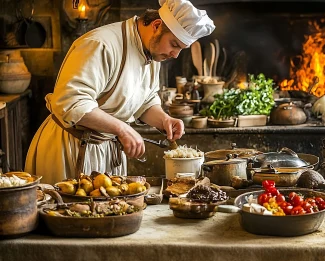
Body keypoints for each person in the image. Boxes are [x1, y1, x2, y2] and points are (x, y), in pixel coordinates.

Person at [25, 0, 215, 184]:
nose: (175, 55)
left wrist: (164, 120)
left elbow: (144, 100)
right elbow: (71, 103)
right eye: (174, 44)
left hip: (107, 149)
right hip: (70, 148)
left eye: (181, 49)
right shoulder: (100, 44)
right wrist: (122, 128)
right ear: (157, 25)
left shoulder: (153, 51)